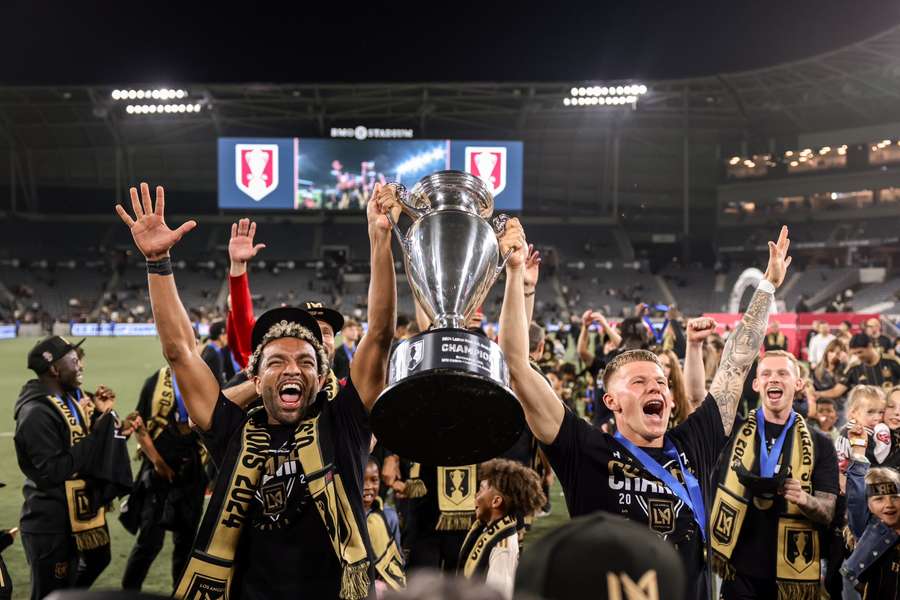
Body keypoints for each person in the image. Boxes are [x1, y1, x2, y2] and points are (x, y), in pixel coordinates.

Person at [115, 181, 397, 599]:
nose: (292, 370)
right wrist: (158, 263)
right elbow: (179, 352)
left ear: (321, 378)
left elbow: (379, 334)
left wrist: (379, 239)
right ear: (255, 376)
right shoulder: (233, 430)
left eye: (305, 362)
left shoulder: (345, 423)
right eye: (277, 362)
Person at [498, 221, 794, 600]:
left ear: (671, 400)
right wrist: (516, 274)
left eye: (660, 383)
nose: (655, 387)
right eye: (638, 383)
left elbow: (736, 365)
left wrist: (767, 285)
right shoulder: (585, 450)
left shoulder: (694, 443)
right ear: (611, 402)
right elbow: (517, 366)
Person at [710, 350, 839, 600]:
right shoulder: (732, 430)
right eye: (766, 373)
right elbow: (696, 397)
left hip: (791, 576)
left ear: (798, 383)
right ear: (757, 384)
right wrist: (695, 346)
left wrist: (804, 499)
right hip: (738, 570)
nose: (774, 379)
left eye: (783, 373)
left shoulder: (820, 443)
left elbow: (827, 512)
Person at [14, 336, 135, 600]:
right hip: (51, 524)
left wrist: (110, 428)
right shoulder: (36, 413)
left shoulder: (69, 399)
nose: (81, 365)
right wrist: (98, 435)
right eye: (73, 360)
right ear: (55, 369)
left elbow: (85, 448)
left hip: (77, 517)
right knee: (49, 594)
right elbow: (54, 471)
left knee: (95, 562)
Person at [225, 217, 347, 401]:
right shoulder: (265, 372)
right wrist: (238, 267)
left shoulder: (346, 394)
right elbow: (244, 322)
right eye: (312, 330)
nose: (321, 338)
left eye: (327, 332)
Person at [120, 363, 208, 592]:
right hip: (158, 474)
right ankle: (129, 593)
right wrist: (158, 463)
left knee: (186, 543)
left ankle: (182, 593)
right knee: (149, 541)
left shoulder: (205, 379)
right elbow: (139, 425)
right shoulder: (155, 382)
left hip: (192, 473)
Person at [457, 459, 545, 599]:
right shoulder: (489, 529)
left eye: (480, 490)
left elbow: (500, 595)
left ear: (496, 501)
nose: (475, 495)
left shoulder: (502, 549)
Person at [841, 426, 900, 598]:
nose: (888, 504)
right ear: (867, 506)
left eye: (895, 497)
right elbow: (856, 498)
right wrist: (859, 450)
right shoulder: (869, 530)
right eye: (879, 499)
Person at [812, 333, 900, 402]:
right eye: (854, 353)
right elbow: (837, 391)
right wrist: (817, 394)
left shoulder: (892, 362)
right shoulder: (854, 368)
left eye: (860, 352)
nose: (858, 356)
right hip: (868, 416)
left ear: (869, 346)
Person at [363, 458, 405, 595]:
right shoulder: (346, 517)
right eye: (362, 479)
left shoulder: (389, 516)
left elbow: (396, 558)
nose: (368, 486)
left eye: (374, 480)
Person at [201, 321, 237, 386]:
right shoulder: (214, 354)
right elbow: (218, 383)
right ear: (221, 336)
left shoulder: (211, 349)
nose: (227, 337)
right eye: (226, 334)